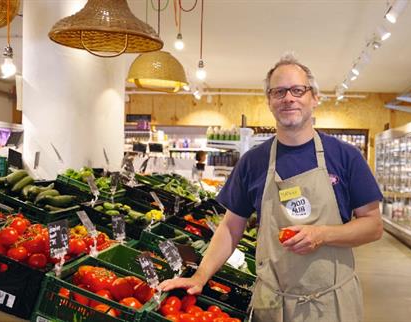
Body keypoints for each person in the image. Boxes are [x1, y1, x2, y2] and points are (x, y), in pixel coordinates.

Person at [160, 54, 384, 321]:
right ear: (269, 101)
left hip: (330, 304)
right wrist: (200, 275)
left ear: (314, 98)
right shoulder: (253, 162)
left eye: (298, 90)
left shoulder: (345, 156)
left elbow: (373, 225)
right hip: (272, 304)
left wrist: (322, 234)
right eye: (279, 91)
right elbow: (231, 227)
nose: (288, 98)